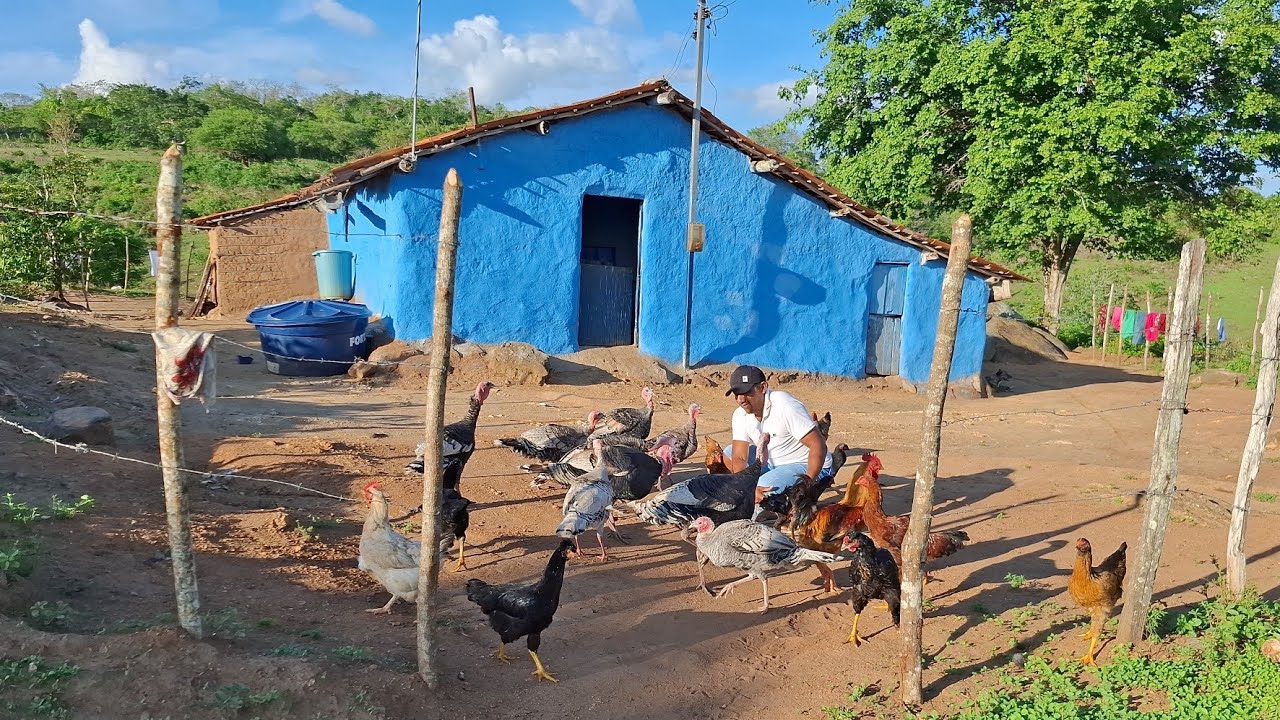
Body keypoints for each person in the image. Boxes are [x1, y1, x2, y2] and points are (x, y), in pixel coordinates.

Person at [722, 365, 832, 519]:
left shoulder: (784, 404)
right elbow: (739, 457)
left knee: (760, 492)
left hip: (806, 463)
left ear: (763, 387)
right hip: (772, 461)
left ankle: (794, 502)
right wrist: (746, 487)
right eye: (736, 394)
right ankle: (777, 498)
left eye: (746, 392)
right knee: (729, 454)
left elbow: (818, 445)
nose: (741, 399)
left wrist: (807, 484)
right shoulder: (740, 414)